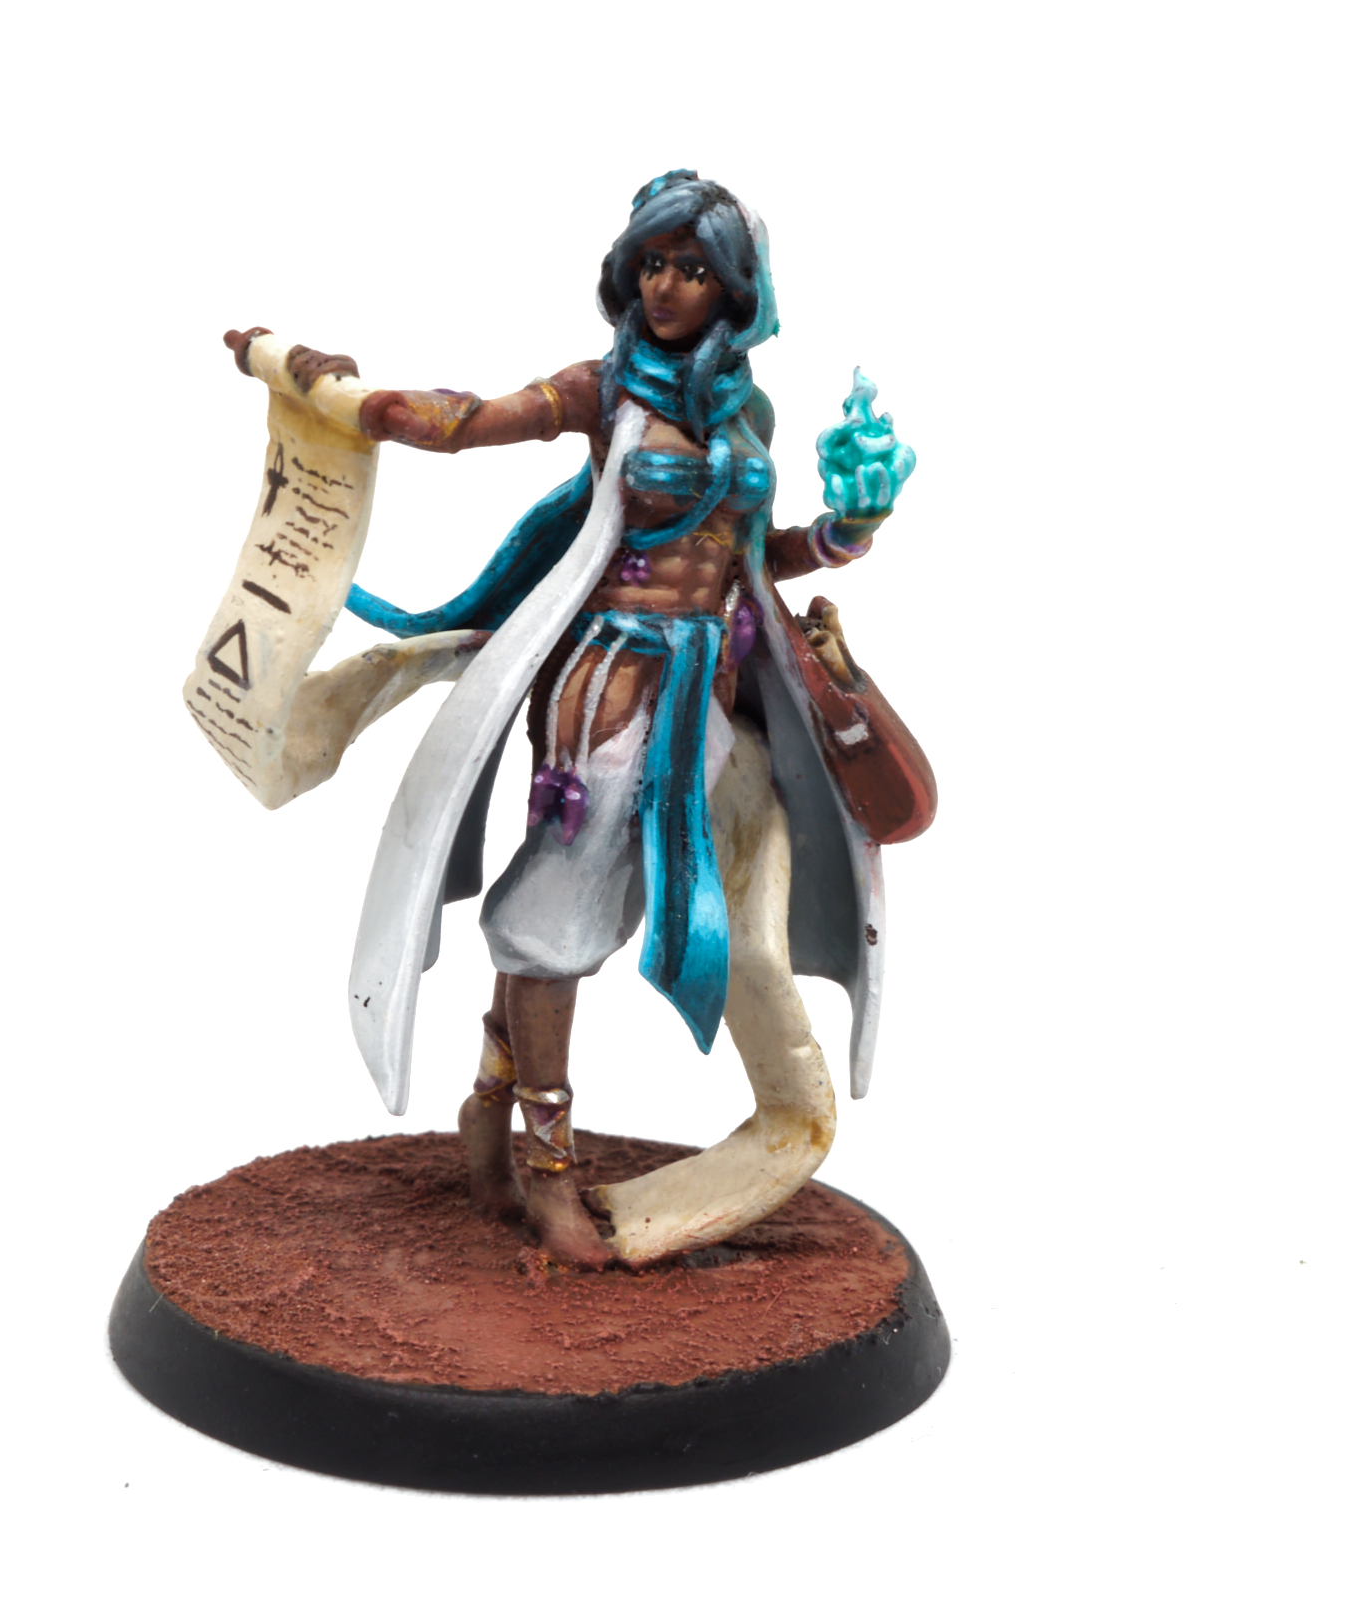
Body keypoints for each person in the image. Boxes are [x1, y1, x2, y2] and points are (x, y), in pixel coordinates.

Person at [223, 171, 922, 1266]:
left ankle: (489, 1107)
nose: (666, 287)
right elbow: (461, 423)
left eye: (692, 269)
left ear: (736, 290)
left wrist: (846, 533)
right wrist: (336, 392)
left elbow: (749, 555)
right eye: (652, 264)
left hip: (712, 699)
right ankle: (547, 1168)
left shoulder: (745, 414)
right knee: (557, 920)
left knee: (724, 897)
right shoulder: (603, 391)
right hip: (613, 692)